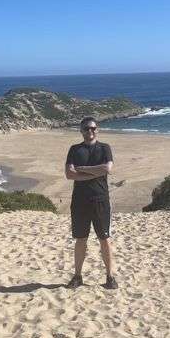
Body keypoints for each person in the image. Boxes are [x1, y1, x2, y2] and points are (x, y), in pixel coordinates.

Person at [64, 117, 117, 289]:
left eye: (93, 128)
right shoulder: (74, 149)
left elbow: (107, 169)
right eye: (86, 129)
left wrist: (82, 169)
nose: (90, 131)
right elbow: (69, 174)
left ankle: (110, 277)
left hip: (100, 200)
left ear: (97, 129)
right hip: (79, 201)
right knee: (81, 239)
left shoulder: (104, 148)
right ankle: (78, 276)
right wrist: (97, 171)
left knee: (105, 239)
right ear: (81, 131)